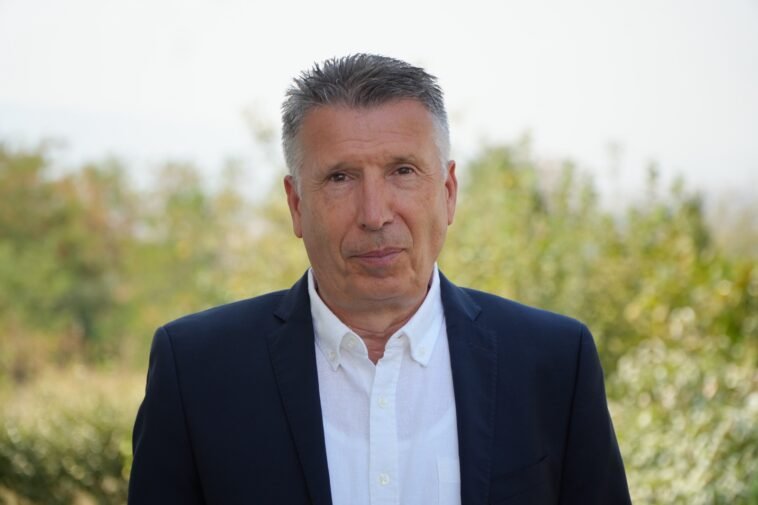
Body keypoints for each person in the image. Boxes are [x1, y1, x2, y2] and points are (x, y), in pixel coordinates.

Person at [128, 53, 631, 505]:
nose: (375, 214)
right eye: (340, 178)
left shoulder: (554, 362)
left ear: (449, 192)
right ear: (296, 204)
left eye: (403, 171)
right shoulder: (195, 371)